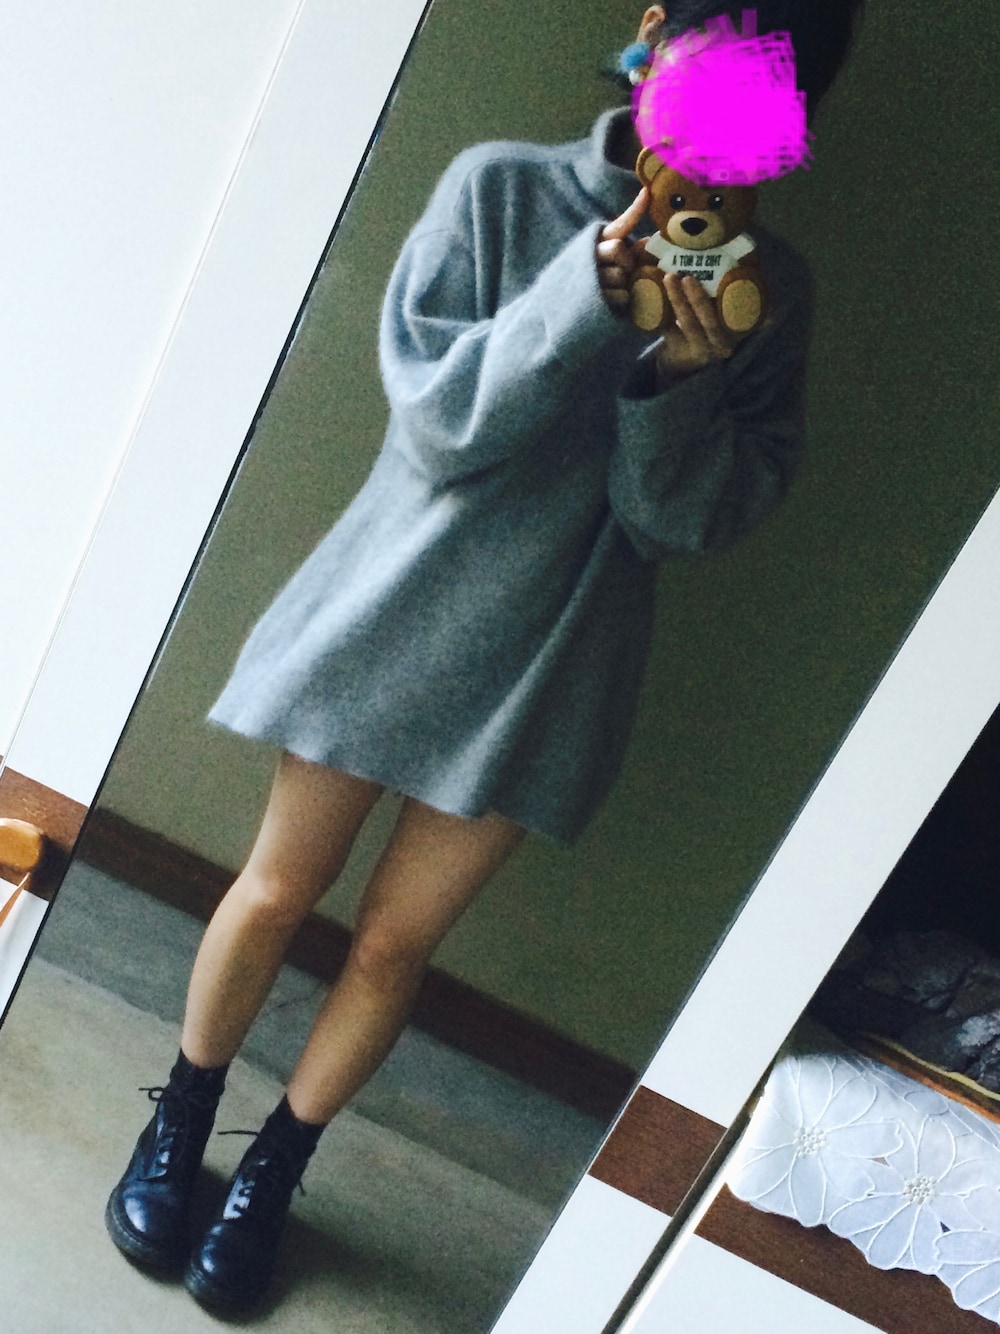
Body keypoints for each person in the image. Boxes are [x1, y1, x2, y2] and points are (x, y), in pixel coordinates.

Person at [106, 0, 863, 1314]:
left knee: (392, 949)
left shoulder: (770, 294)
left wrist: (677, 383)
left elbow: (682, 524)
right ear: (654, 38)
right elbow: (439, 423)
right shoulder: (502, 191)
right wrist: (584, 295)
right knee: (275, 891)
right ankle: (179, 1118)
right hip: (393, 606)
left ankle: (275, 1167)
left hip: (555, 663)